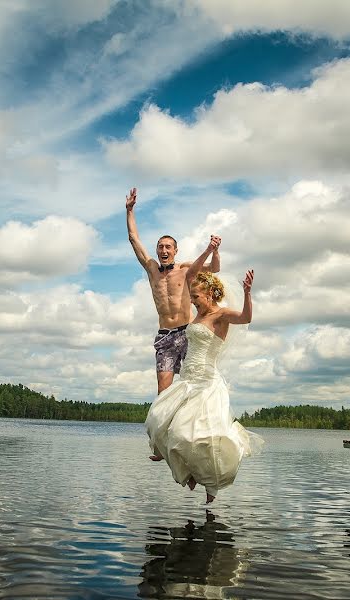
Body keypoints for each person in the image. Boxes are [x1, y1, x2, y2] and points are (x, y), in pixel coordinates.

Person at [144, 237, 262, 503]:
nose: (193, 301)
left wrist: (246, 293)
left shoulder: (221, 316)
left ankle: (210, 483)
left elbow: (246, 318)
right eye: (192, 297)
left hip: (207, 382)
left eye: (196, 297)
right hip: (188, 380)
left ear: (209, 294)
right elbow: (196, 275)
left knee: (203, 436)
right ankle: (191, 474)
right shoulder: (197, 316)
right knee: (168, 424)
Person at [126, 187, 220, 393]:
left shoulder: (185, 270)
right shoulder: (152, 269)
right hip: (164, 336)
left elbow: (214, 269)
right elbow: (134, 239)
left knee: (194, 386)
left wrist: (213, 250)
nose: (164, 250)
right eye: (160, 246)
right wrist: (130, 210)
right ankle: (164, 425)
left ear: (175, 250)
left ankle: (189, 423)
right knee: (163, 390)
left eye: (168, 247)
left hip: (187, 333)